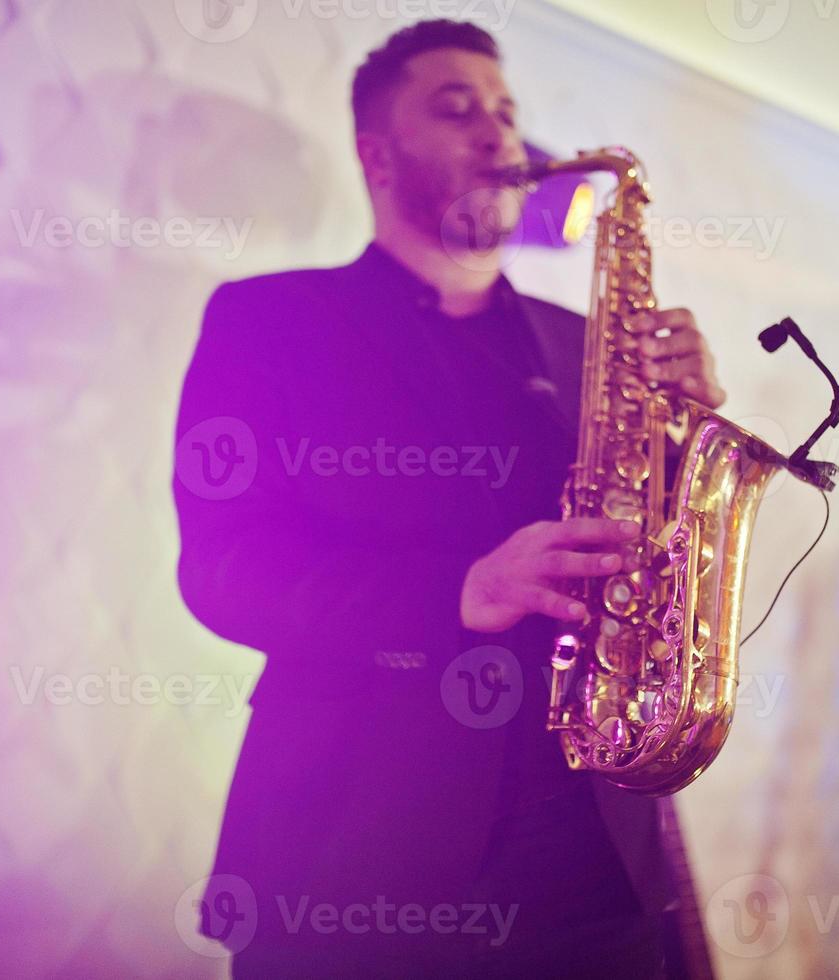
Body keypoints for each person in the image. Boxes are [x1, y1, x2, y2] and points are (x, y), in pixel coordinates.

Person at [172, 20, 725, 978]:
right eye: (456, 107)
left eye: (507, 113)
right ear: (373, 154)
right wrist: (458, 590)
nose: (498, 134)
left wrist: (682, 433)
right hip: (355, 860)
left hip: (594, 858)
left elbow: (649, 555)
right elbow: (224, 570)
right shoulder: (269, 320)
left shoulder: (588, 339)